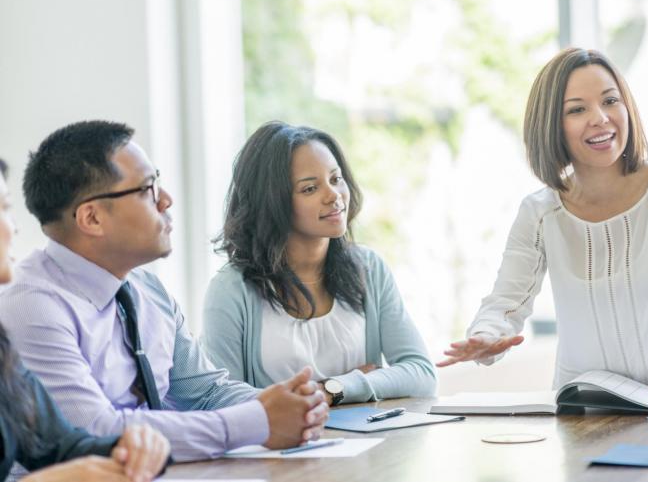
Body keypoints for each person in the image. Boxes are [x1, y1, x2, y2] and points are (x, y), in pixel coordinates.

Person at [0, 121, 329, 463]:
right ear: (92, 218)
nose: (166, 199)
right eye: (147, 188)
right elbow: (96, 430)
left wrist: (295, 406)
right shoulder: (31, 305)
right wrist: (257, 421)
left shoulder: (146, 287)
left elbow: (204, 393)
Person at [437, 48, 648, 389]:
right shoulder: (539, 213)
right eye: (577, 109)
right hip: (584, 405)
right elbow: (505, 302)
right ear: (552, 125)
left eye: (610, 101)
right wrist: (485, 337)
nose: (600, 117)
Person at [201, 122, 435, 404]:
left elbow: (421, 373)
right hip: (280, 448)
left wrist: (335, 388)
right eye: (310, 188)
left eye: (336, 179)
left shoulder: (369, 268)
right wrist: (326, 392)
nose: (333, 195)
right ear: (272, 202)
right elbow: (220, 399)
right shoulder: (231, 289)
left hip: (369, 446)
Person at [0, 158, 170, 482]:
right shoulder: (30, 302)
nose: (16, 226)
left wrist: (134, 445)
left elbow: (61, 445)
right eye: (4, 209)